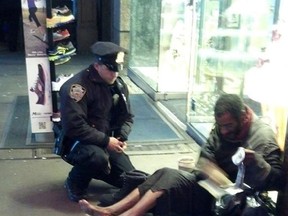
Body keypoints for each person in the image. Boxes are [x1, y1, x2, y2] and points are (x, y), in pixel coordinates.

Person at [78, 93, 284, 215]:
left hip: (232, 202)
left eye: (228, 125)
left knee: (170, 179)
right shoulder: (224, 126)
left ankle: (119, 214)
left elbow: (277, 181)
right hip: (212, 189)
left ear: (244, 116)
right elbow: (206, 155)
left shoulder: (262, 137)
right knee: (165, 172)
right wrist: (209, 169)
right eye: (220, 126)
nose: (224, 131)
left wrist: (257, 162)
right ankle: (111, 211)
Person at [59, 41, 139, 202]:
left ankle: (101, 167)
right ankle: (74, 182)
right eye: (110, 69)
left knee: (129, 180)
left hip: (106, 140)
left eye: (118, 69)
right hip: (78, 143)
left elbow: (128, 116)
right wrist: (106, 141)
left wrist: (121, 136)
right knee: (97, 159)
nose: (115, 74)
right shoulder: (77, 88)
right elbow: (74, 126)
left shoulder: (118, 84)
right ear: (97, 65)